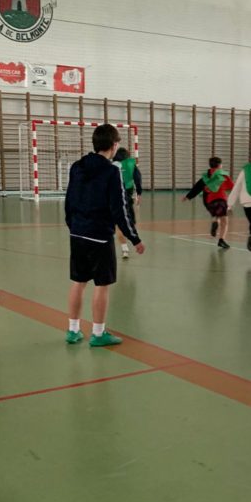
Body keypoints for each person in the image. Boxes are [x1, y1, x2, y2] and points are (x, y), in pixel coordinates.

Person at [64, 123, 145, 347]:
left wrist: (73, 225)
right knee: (102, 285)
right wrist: (134, 238)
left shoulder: (77, 167)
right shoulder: (112, 172)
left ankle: (73, 330)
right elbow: (120, 209)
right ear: (114, 145)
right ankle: (98, 334)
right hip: (99, 236)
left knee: (78, 282)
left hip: (77, 233)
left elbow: (69, 199)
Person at [183, 156, 235, 249]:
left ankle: (215, 221)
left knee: (216, 214)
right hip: (221, 199)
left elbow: (197, 187)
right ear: (220, 165)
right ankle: (221, 240)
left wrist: (187, 197)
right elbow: (232, 187)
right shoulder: (223, 175)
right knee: (224, 221)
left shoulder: (206, 176)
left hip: (208, 200)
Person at [113, 145, 142, 260]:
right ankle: (132, 238)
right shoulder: (131, 164)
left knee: (118, 225)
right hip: (127, 197)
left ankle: (124, 249)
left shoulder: (112, 165)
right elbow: (138, 178)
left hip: (115, 197)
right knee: (129, 222)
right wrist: (139, 193)